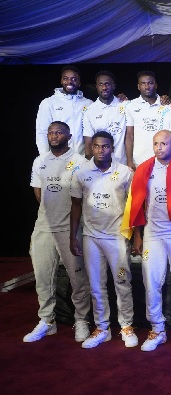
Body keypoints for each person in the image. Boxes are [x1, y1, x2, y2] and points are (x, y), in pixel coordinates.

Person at [120, 129, 171, 352]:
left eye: (164, 144)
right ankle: (157, 329)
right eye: (156, 143)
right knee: (151, 283)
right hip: (153, 234)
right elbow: (136, 205)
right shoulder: (144, 169)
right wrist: (137, 235)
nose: (159, 147)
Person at [25, 121, 91, 343]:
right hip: (44, 224)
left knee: (77, 277)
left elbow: (83, 197)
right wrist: (49, 213)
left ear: (69, 136)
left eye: (59, 133)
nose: (54, 136)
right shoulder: (40, 161)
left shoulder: (80, 162)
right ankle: (47, 320)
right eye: (51, 133)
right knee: (43, 275)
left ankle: (81, 319)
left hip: (70, 227)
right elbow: (38, 192)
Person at [70, 131, 137, 349]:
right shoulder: (81, 173)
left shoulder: (125, 173)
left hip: (116, 238)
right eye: (97, 146)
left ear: (112, 147)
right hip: (91, 238)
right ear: (92, 148)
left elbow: (134, 207)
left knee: (121, 280)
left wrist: (136, 235)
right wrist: (73, 236)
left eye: (105, 146)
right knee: (97, 285)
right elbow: (76, 206)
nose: (101, 150)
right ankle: (102, 327)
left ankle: (126, 325)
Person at [36, 65, 93, 156]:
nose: (69, 81)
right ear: (61, 81)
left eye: (74, 79)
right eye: (66, 78)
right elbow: (42, 132)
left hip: (82, 159)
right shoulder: (49, 103)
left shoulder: (89, 104)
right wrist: (46, 158)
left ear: (79, 83)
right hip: (58, 159)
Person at [125, 70, 170, 170]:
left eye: (150, 83)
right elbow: (129, 135)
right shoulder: (131, 105)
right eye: (143, 83)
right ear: (138, 86)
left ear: (156, 85)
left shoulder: (167, 105)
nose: (147, 86)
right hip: (139, 161)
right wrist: (129, 160)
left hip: (163, 160)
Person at [82, 71, 127, 164]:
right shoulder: (90, 111)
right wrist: (90, 166)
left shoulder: (125, 105)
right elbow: (88, 142)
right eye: (100, 84)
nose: (104, 87)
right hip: (100, 165)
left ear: (114, 86)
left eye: (107, 84)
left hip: (122, 164)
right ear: (96, 87)